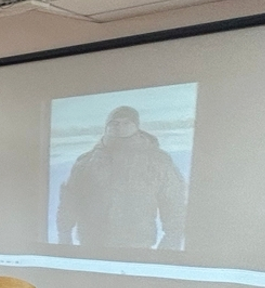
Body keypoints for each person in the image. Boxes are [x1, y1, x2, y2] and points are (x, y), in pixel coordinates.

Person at [56, 105, 188, 250]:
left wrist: (172, 238)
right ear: (107, 127)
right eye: (114, 123)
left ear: (136, 126)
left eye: (126, 123)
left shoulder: (157, 160)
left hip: (136, 246)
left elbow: (173, 200)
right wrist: (64, 233)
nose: (119, 127)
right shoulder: (86, 161)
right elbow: (70, 199)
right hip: (91, 245)